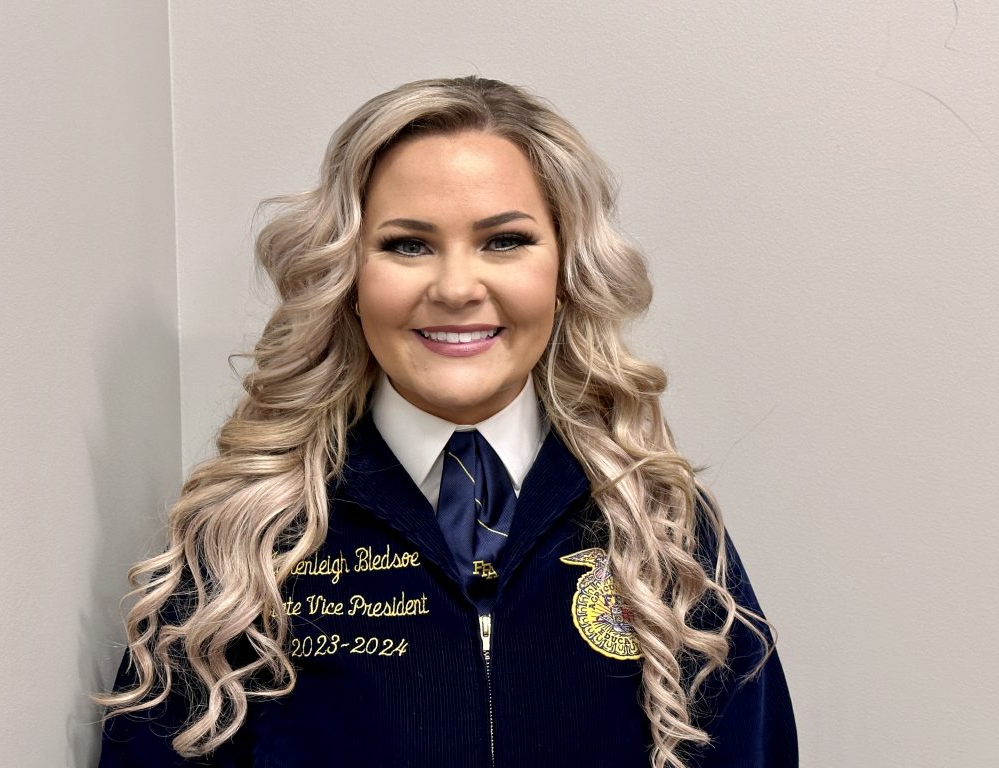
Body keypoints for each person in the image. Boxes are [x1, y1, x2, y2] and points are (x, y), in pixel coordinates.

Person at [97, 76, 797, 768]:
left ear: (566, 272)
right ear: (348, 274)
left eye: (505, 241)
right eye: (408, 244)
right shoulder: (242, 539)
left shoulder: (666, 531)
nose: (457, 288)